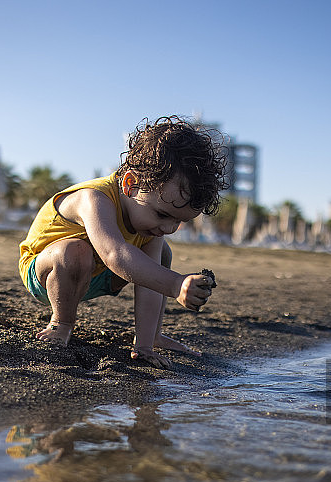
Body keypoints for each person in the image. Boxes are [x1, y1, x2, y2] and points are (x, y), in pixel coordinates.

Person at [18, 116, 227, 369]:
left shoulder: (152, 227)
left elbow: (149, 283)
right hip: (48, 273)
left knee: (161, 254)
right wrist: (175, 284)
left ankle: (151, 336)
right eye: (162, 215)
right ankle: (61, 323)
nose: (168, 228)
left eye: (179, 222)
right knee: (75, 251)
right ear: (130, 184)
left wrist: (145, 347)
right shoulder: (93, 199)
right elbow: (113, 253)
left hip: (99, 276)